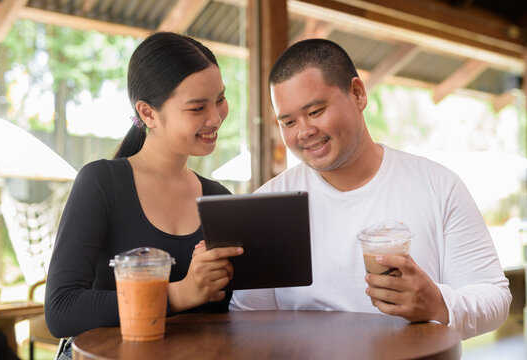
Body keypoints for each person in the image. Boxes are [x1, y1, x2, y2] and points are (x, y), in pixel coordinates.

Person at [229, 38, 511, 340]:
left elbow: (494, 296)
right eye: (288, 121)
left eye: (315, 112)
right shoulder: (267, 206)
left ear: (358, 94)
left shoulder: (439, 185)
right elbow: (249, 320)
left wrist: (438, 305)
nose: (303, 132)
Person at [45, 32, 243, 358]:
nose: (216, 117)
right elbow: (61, 309)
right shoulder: (101, 182)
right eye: (197, 107)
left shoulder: (218, 197)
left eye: (220, 99)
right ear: (148, 113)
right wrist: (179, 294)